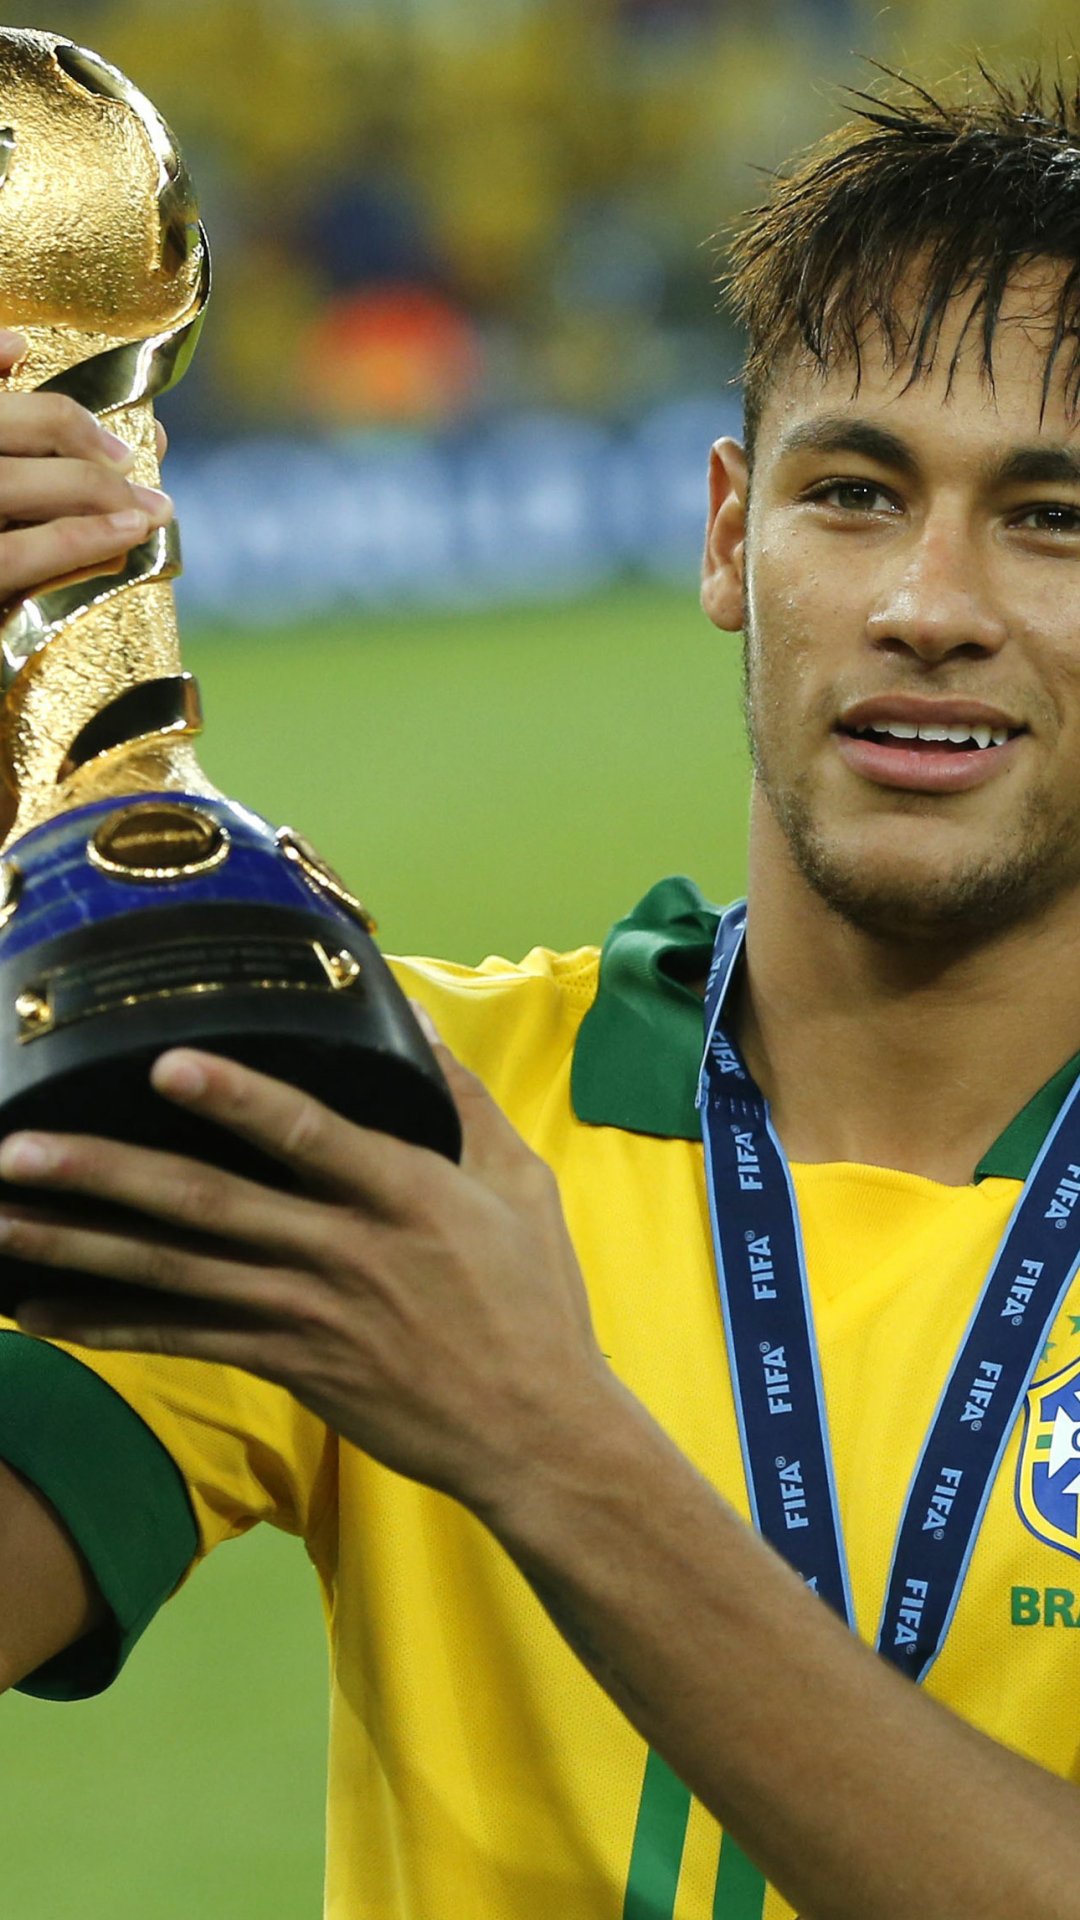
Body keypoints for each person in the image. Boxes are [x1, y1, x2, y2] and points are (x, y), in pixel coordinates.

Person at [2, 66, 1080, 1920]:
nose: (929, 599)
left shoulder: (438, 1227)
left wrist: (531, 1430)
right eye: (853, 490)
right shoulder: (374, 1111)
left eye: (1055, 519)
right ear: (733, 534)